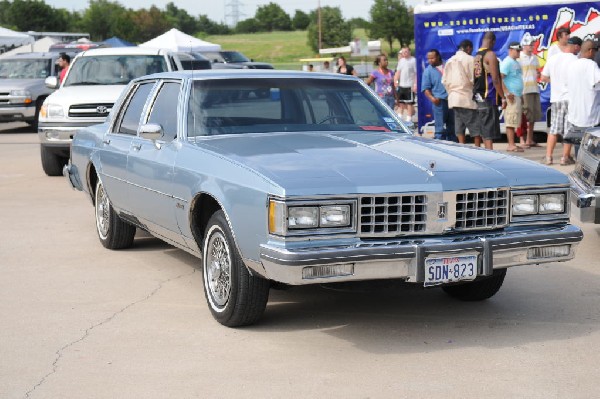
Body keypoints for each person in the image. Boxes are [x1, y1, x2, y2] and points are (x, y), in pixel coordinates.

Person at [541, 37, 580, 165]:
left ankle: (548, 157)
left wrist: (556, 83)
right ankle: (565, 158)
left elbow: (544, 77)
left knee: (553, 129)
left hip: (556, 98)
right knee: (569, 129)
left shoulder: (553, 59)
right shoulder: (575, 60)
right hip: (570, 98)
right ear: (575, 46)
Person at [442, 39, 480, 145]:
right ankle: (478, 149)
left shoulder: (450, 60)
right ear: (468, 48)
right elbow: (475, 78)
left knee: (459, 126)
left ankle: (461, 147)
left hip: (454, 98)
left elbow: (444, 81)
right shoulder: (470, 59)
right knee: (475, 127)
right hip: (466, 97)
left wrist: (451, 91)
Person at [565, 39, 600, 157]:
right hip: (590, 118)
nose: (595, 54)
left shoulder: (572, 65)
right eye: (595, 51)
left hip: (575, 116)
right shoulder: (591, 65)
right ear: (590, 51)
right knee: (592, 156)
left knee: (579, 154)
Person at [473, 32, 507, 150]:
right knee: (488, 129)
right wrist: (503, 97)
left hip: (478, 95)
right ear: (492, 41)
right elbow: (496, 79)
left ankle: (487, 153)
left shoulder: (477, 55)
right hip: (488, 96)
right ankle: (489, 154)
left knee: (483, 127)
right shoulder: (490, 54)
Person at [422, 49, 456, 141]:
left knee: (453, 126)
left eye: (432, 58)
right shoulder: (428, 71)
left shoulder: (448, 65)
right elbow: (425, 89)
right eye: (428, 59)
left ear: (438, 56)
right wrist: (433, 99)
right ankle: (439, 143)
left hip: (452, 100)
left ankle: (453, 144)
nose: (430, 60)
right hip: (439, 102)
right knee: (439, 128)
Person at [517, 35, 542, 148]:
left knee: (533, 115)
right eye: (530, 44)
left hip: (534, 89)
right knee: (523, 115)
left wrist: (538, 74)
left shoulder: (534, 57)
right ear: (524, 46)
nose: (532, 46)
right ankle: (521, 139)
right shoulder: (519, 58)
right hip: (523, 90)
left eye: (533, 44)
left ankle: (529, 139)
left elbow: (537, 71)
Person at [500, 42, 525, 152]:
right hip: (512, 96)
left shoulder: (515, 62)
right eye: (517, 50)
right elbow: (500, 78)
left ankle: (513, 143)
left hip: (517, 95)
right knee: (510, 120)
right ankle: (511, 144)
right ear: (510, 50)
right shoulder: (507, 62)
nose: (519, 53)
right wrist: (507, 93)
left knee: (514, 120)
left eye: (520, 51)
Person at [393, 47, 417, 125]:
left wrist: (415, 84)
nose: (404, 53)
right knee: (401, 102)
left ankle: (409, 118)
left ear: (409, 52)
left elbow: (416, 73)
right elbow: (398, 72)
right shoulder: (401, 61)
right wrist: (396, 81)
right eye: (403, 52)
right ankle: (399, 117)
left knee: (409, 103)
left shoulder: (413, 60)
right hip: (401, 85)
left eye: (406, 52)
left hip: (409, 85)